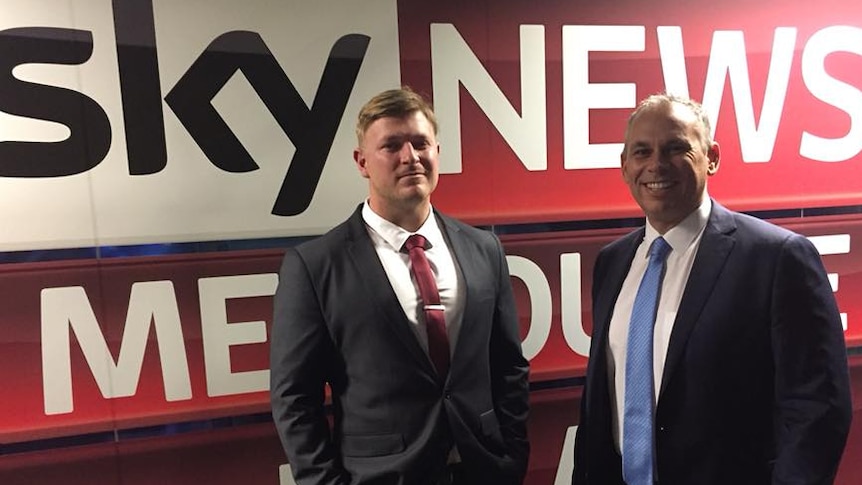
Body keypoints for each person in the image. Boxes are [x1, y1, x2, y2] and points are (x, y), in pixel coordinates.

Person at [573, 93, 852, 484]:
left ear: (712, 157)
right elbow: (600, 400)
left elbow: (817, 408)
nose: (656, 164)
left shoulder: (776, 258)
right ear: (624, 166)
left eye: (676, 148)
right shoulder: (612, 262)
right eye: (642, 151)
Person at [270, 87, 530, 485]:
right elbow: (294, 399)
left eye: (420, 143)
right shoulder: (316, 266)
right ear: (362, 162)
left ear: (437, 152)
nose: (410, 157)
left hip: (484, 470)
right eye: (392, 145)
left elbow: (508, 366)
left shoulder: (484, 249)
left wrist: (512, 457)